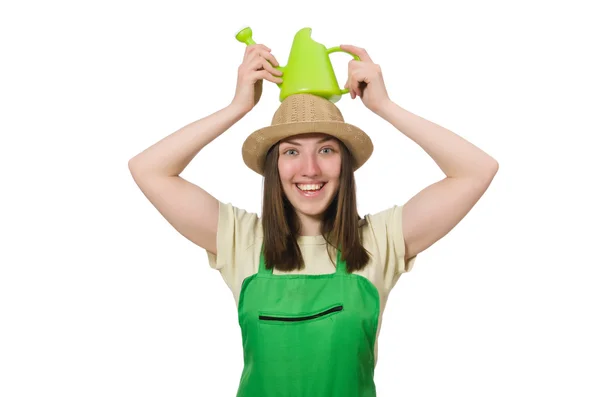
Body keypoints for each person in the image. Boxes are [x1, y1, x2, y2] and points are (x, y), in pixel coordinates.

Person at [128, 42, 498, 396]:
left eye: (326, 150)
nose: (309, 169)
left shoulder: (379, 240)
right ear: (274, 166)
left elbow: (476, 171)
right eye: (291, 151)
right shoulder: (240, 239)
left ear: (345, 164)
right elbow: (148, 170)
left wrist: (384, 106)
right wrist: (238, 107)